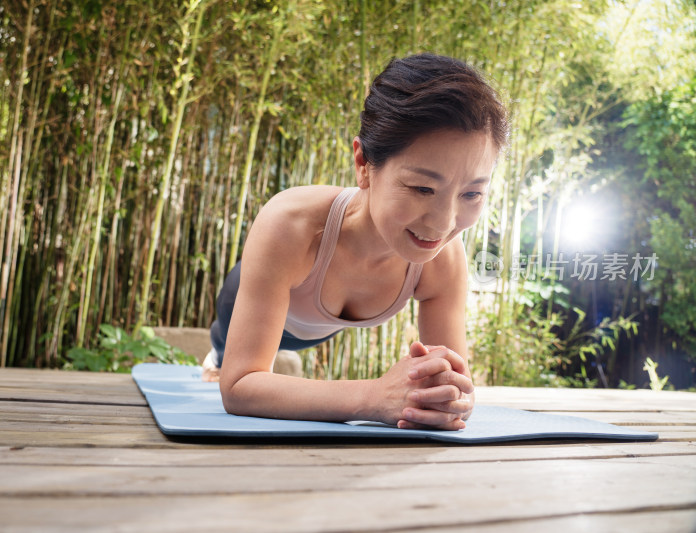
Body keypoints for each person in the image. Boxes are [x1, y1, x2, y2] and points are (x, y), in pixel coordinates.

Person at [204, 52, 508, 431]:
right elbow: (239, 387)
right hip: (247, 305)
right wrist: (374, 397)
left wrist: (445, 394)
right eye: (421, 188)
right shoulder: (290, 225)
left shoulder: (444, 260)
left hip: (320, 325)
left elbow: (456, 384)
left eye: (471, 194)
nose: (444, 224)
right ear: (363, 165)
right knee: (223, 348)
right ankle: (216, 351)